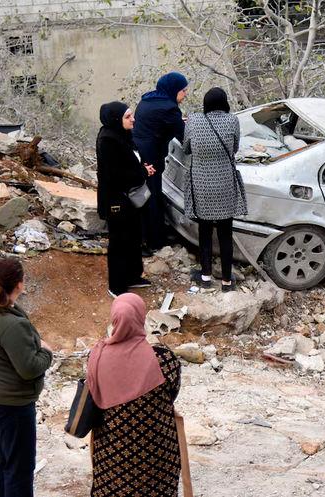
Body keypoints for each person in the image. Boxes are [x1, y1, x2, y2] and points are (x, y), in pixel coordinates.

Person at [0, 258, 52, 497]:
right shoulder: (10, 323)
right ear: (19, 284)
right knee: (20, 469)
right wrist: (46, 352)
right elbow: (29, 368)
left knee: (5, 460)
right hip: (12, 404)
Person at [88, 293, 181, 497]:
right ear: (141, 318)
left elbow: (93, 395)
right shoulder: (163, 359)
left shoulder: (97, 356)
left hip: (113, 455)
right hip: (158, 455)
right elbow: (173, 393)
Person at [182, 87, 247, 292]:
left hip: (201, 182)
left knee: (205, 231)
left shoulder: (193, 120)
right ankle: (227, 281)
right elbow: (234, 148)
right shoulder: (232, 120)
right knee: (226, 233)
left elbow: (186, 148)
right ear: (224, 102)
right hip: (225, 183)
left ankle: (206, 276)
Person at [96, 101, 155, 298]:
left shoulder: (122, 135)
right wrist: (142, 172)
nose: (133, 119)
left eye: (131, 115)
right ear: (116, 119)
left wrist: (142, 167)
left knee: (133, 237)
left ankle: (132, 276)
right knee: (119, 242)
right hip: (116, 200)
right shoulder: (108, 141)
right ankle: (117, 285)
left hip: (129, 199)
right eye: (128, 116)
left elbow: (132, 159)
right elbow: (117, 174)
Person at [133, 72, 189, 255]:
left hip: (141, 153)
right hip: (151, 158)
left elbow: (158, 123)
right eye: (183, 90)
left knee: (147, 195)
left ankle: (149, 237)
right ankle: (153, 241)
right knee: (152, 197)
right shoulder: (170, 109)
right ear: (174, 90)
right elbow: (185, 138)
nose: (185, 94)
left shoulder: (148, 100)